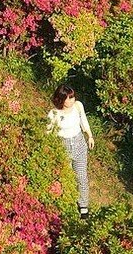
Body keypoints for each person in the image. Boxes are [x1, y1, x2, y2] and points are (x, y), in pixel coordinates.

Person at [46, 84, 94, 219]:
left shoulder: (78, 106)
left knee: (81, 177)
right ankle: (67, 203)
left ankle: (83, 206)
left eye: (72, 97)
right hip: (63, 146)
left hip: (79, 144)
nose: (71, 100)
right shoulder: (54, 113)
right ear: (61, 99)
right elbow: (49, 133)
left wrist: (89, 136)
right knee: (65, 177)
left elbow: (83, 121)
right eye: (68, 98)